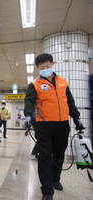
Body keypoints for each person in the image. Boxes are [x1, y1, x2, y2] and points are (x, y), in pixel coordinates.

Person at [24, 53, 84, 200]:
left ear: (53, 64)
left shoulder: (63, 82)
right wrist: (27, 116)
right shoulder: (34, 84)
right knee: (45, 156)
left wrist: (76, 119)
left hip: (63, 124)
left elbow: (70, 102)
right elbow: (29, 101)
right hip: (44, 125)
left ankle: (55, 179)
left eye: (48, 66)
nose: (45, 69)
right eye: (42, 67)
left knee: (59, 154)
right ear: (37, 68)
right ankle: (46, 189)